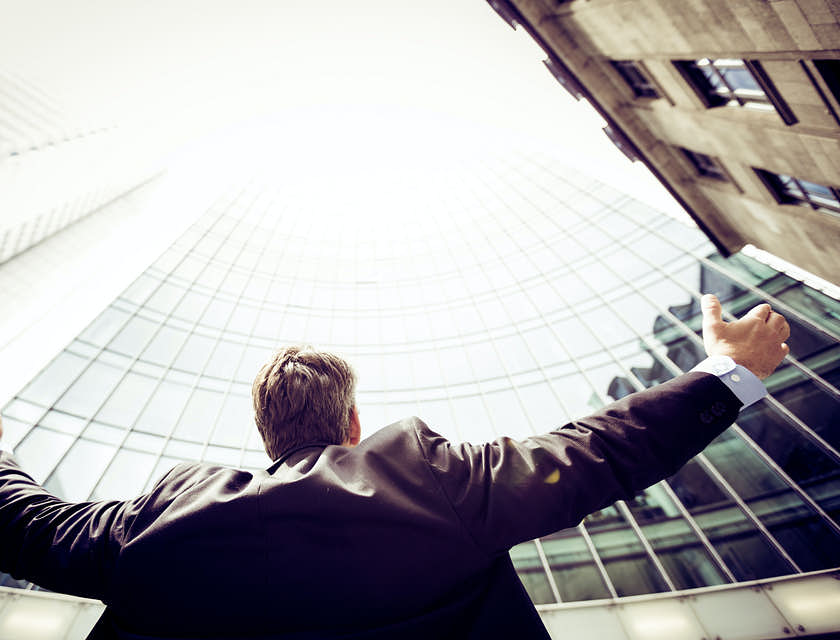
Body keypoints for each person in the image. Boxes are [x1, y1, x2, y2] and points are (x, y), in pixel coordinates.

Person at [0, 294, 790, 639]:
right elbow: (597, 451)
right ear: (351, 423)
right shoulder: (429, 478)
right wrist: (728, 372)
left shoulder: (159, 523)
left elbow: (27, 527)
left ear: (265, 434)